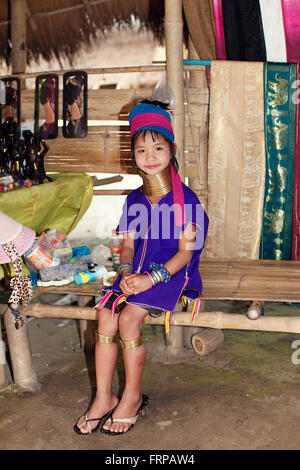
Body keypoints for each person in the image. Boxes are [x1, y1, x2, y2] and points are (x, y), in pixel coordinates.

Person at [74, 101, 209, 436]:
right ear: (133, 155)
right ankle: (104, 398)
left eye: (158, 148)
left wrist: (150, 279)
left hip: (173, 277)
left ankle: (132, 398)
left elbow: (184, 254)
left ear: (171, 149)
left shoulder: (186, 201)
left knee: (128, 318)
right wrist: (124, 271)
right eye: (142, 149)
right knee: (105, 314)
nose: (150, 156)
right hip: (134, 276)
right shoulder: (134, 200)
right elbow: (128, 242)